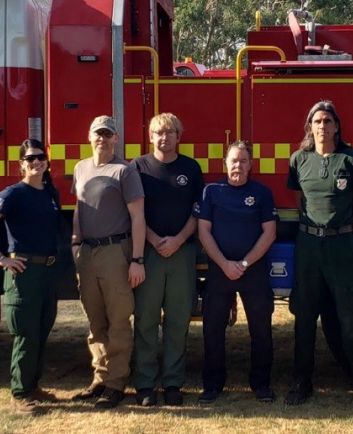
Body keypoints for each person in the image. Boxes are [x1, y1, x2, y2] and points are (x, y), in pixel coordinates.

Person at [285, 100, 353, 411]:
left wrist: (349, 234)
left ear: (337, 126)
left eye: (327, 121)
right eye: (317, 121)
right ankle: (301, 382)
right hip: (309, 247)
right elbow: (300, 202)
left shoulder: (351, 159)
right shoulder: (299, 160)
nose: (322, 126)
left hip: (341, 246)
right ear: (309, 127)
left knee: (350, 317)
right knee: (304, 317)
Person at [0, 139, 61, 416]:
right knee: (25, 333)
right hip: (24, 272)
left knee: (41, 330)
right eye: (29, 159)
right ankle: (20, 394)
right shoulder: (13, 194)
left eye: (40, 157)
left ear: (47, 161)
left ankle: (33, 387)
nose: (35, 162)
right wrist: (0, 258)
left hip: (47, 270)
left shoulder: (50, 192)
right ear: (21, 164)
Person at [69, 115, 147, 409]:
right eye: (97, 133)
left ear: (116, 139)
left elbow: (138, 217)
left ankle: (116, 384)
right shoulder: (81, 168)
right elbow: (78, 208)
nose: (102, 138)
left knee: (118, 321)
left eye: (107, 134)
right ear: (89, 136)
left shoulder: (125, 172)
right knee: (95, 321)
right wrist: (75, 243)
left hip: (116, 251)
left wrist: (137, 259)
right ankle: (99, 378)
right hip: (87, 253)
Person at [196, 141, 278, 404]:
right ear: (225, 164)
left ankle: (261, 384)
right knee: (213, 329)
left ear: (250, 165)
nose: (238, 166)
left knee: (261, 329)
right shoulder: (211, 192)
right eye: (234, 161)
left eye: (243, 161)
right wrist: (224, 264)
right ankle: (212, 384)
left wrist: (243, 263)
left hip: (252, 271)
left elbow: (270, 232)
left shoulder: (262, 193)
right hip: (220, 271)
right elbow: (203, 232)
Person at [132, 113, 204, 407]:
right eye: (158, 132)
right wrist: (152, 240)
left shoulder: (191, 167)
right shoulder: (137, 167)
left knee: (177, 321)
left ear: (179, 135)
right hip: (149, 252)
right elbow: (133, 212)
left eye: (170, 132)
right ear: (150, 136)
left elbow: (198, 211)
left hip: (181, 252)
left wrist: (177, 240)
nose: (164, 137)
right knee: (146, 320)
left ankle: (173, 383)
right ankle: (145, 384)